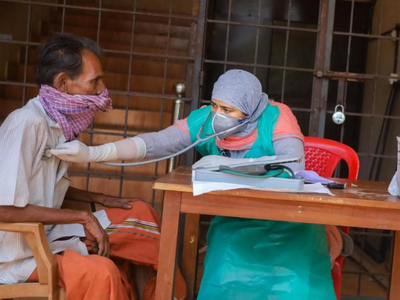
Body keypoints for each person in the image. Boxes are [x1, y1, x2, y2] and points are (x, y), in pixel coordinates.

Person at [51, 69, 337, 299]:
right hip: (235, 220)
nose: (218, 114)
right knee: (225, 279)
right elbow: (156, 143)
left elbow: (292, 163)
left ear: (250, 110)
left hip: (287, 222)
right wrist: (94, 153)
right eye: (215, 105)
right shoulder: (206, 121)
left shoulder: (277, 117)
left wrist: (246, 169)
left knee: (294, 287)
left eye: (228, 109)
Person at [0, 33, 186, 300]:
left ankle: (165, 295)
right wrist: (83, 217)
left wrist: (100, 198)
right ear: (62, 82)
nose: (102, 89)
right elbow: (4, 209)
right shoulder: (26, 123)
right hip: (18, 255)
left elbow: (41, 185)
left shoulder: (57, 123)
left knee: (139, 213)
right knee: (103, 272)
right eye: (95, 80)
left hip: (47, 233)